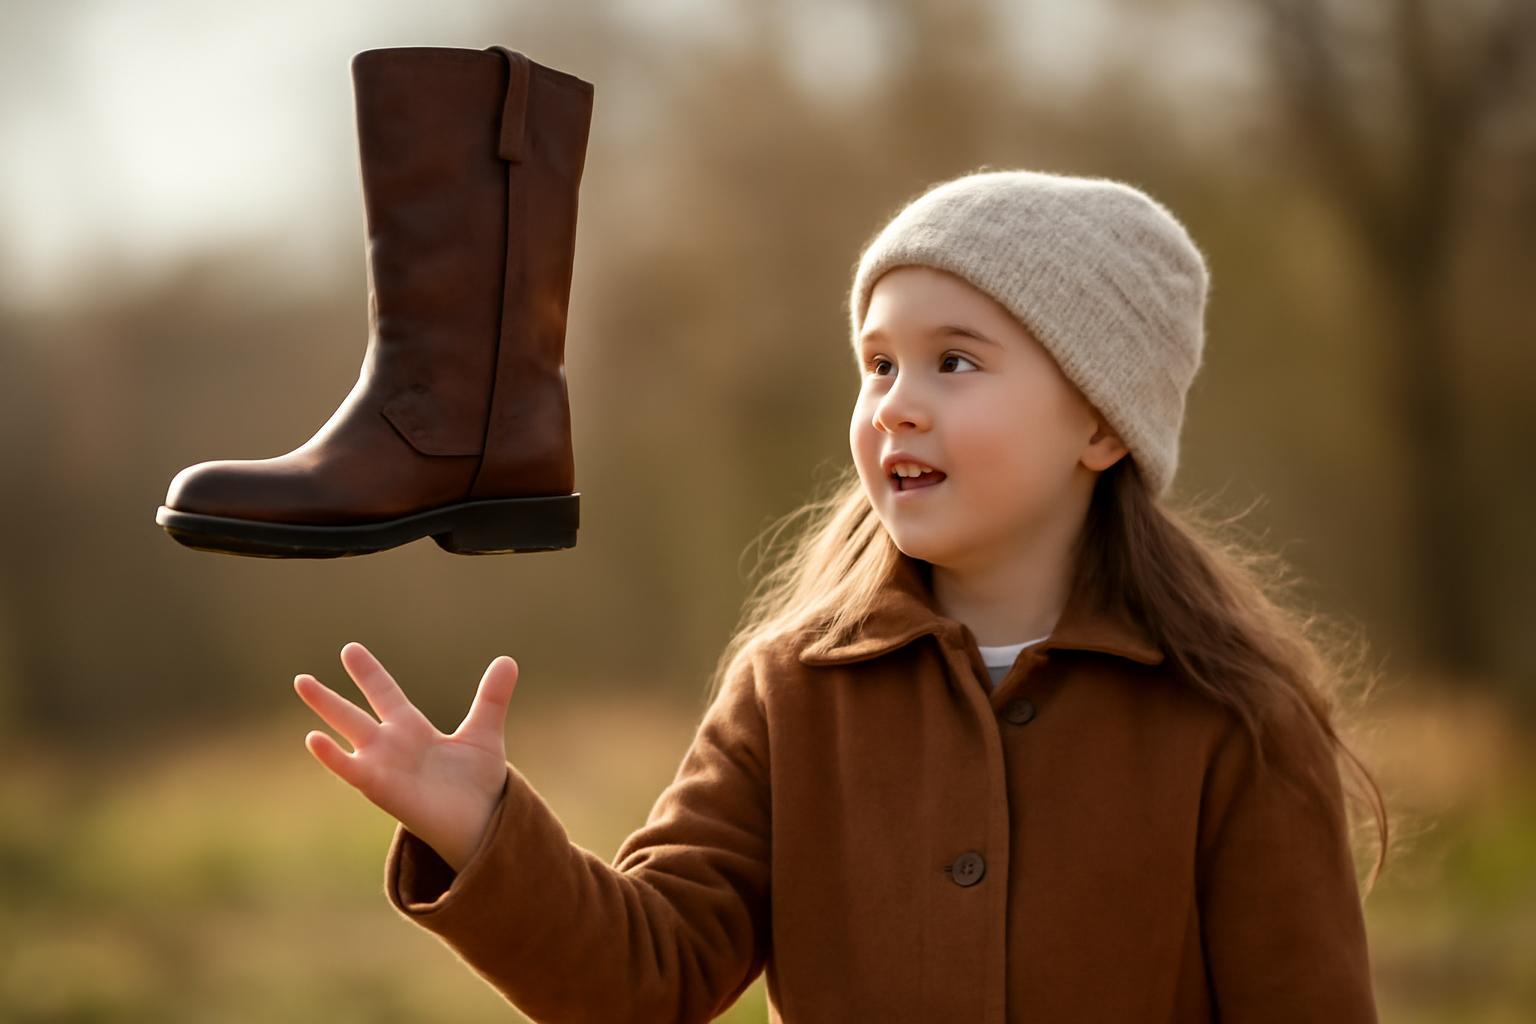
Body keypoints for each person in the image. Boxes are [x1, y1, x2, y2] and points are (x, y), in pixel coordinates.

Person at [292, 167, 1389, 1022]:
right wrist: (482, 832)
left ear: (1102, 424)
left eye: (955, 362)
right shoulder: (793, 692)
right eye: (877, 365)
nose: (897, 405)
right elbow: (645, 972)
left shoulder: (1235, 718)